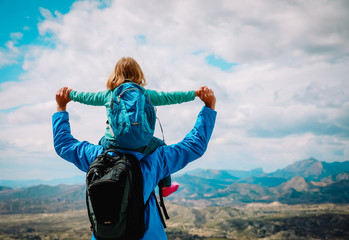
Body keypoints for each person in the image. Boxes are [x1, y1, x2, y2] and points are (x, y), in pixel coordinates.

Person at [52, 85, 216, 240]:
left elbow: (64, 144)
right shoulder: (155, 161)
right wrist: (209, 107)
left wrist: (61, 107)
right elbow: (194, 145)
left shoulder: (96, 156)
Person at [65, 57, 204, 197]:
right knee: (162, 147)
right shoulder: (146, 94)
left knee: (101, 143)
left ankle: (102, 173)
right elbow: (171, 97)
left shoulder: (110, 95)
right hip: (142, 144)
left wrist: (70, 94)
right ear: (138, 74)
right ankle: (165, 187)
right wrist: (195, 94)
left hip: (113, 143)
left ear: (115, 74)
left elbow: (87, 97)